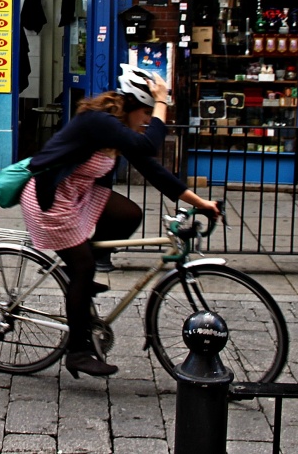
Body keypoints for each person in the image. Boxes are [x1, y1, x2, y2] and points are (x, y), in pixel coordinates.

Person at [20, 65, 219, 378]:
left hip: (77, 194)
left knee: (129, 213)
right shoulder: (101, 122)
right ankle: (78, 351)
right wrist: (163, 103)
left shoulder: (119, 131)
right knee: (82, 269)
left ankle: (89, 264)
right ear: (134, 106)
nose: (148, 123)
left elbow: (155, 170)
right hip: (51, 199)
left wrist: (201, 203)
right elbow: (150, 145)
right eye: (146, 115)